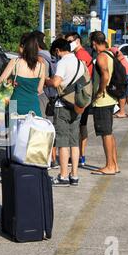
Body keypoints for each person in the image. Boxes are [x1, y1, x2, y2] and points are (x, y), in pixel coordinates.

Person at [46, 38, 85, 187]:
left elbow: (56, 83)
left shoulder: (63, 62)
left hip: (62, 106)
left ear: (57, 50)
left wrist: (46, 80)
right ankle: (74, 175)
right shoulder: (79, 62)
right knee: (74, 142)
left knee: (63, 142)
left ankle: (63, 175)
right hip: (76, 105)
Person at [89, 31, 120, 175]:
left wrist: (99, 92)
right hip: (111, 100)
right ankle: (114, 164)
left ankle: (109, 166)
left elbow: (105, 76)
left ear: (94, 42)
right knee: (109, 133)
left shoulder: (101, 56)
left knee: (105, 134)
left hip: (103, 100)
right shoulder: (110, 54)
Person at [0, 33, 46, 116]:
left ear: (23, 47)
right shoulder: (41, 66)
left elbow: (0, 81)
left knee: (14, 128)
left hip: (15, 105)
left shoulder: (15, 62)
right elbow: (39, 90)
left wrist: (11, 81)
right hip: (33, 106)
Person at [31, 30, 59, 168]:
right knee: (49, 125)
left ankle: (46, 158)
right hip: (52, 95)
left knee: (41, 125)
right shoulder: (49, 55)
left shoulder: (40, 58)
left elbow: (40, 79)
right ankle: (53, 158)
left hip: (43, 95)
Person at [65, 32, 94, 167]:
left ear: (77, 41)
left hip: (81, 95)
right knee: (81, 125)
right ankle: (80, 155)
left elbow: (79, 76)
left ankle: (80, 155)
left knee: (78, 126)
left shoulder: (81, 55)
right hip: (83, 94)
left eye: (70, 41)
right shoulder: (80, 54)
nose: (68, 43)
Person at [109, 45, 128, 118]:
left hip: (125, 73)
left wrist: (115, 61)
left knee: (122, 92)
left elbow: (120, 55)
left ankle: (122, 112)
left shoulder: (112, 49)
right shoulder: (110, 50)